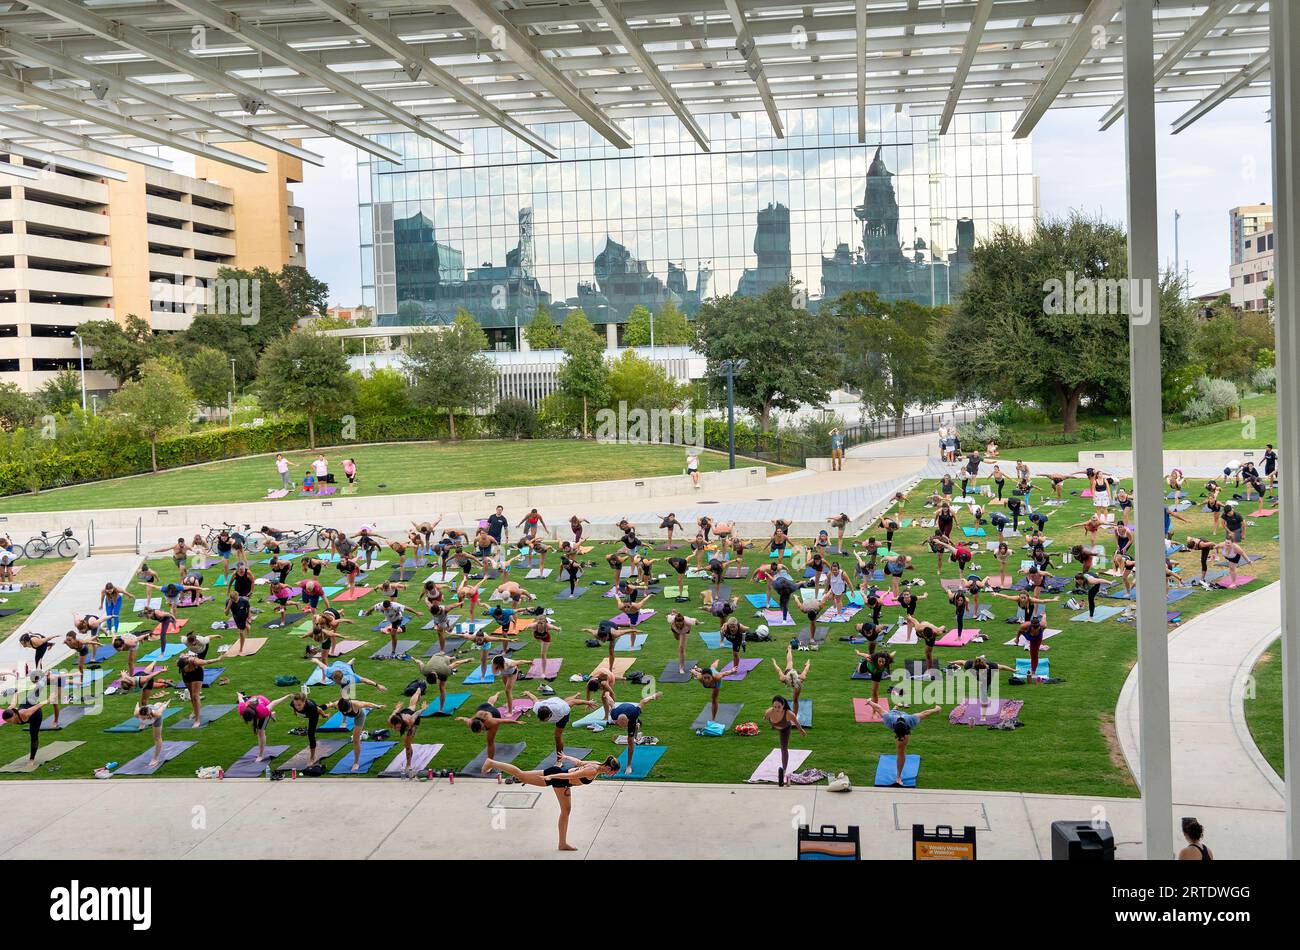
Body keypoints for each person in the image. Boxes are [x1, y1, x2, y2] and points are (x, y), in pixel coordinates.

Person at [483, 752, 620, 851]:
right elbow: (569, 775)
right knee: (521, 775)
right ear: (608, 768)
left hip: (562, 780)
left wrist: (566, 757)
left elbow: (578, 763)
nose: (613, 774)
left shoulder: (596, 763)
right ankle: (491, 762)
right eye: (613, 772)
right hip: (559, 778)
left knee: (566, 811)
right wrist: (551, 776)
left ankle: (562, 843)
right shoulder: (592, 770)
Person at [870, 699, 943, 787]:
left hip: (902, 718)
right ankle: (896, 706)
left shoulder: (911, 720)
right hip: (894, 714)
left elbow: (925, 713)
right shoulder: (889, 719)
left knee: (901, 751)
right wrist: (869, 702)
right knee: (893, 711)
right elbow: (878, 708)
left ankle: (898, 777)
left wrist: (936, 709)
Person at [763, 695, 807, 787]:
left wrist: (801, 730)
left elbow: (796, 721)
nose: (776, 709)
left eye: (779, 707)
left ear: (783, 706)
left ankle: (784, 769)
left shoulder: (789, 714)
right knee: (782, 746)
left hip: (784, 729)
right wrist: (766, 718)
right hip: (774, 726)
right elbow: (765, 717)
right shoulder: (769, 712)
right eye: (774, 707)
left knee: (783, 748)